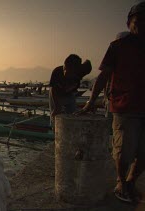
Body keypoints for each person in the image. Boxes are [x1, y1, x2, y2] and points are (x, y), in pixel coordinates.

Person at [76, 2, 145, 202]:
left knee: (143, 153)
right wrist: (90, 102)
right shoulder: (118, 46)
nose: (141, 24)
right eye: (137, 20)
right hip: (125, 107)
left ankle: (131, 180)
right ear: (129, 23)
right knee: (124, 150)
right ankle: (121, 182)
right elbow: (103, 76)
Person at [49, 54, 92, 128]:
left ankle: (71, 127)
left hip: (70, 94)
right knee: (55, 113)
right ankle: (54, 127)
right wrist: (57, 106)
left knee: (72, 114)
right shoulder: (57, 72)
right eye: (64, 69)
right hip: (56, 93)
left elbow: (87, 63)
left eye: (69, 72)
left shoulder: (81, 71)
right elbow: (53, 90)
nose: (65, 73)